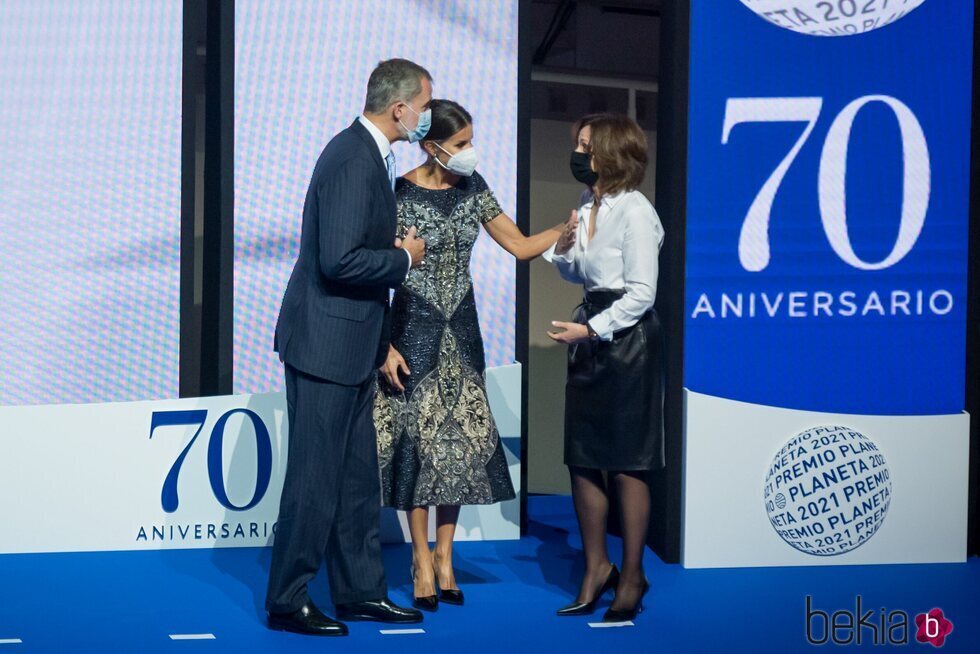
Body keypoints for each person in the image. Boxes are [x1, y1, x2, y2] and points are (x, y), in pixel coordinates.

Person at [374, 99, 574, 611]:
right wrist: (384, 344)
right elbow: (378, 271)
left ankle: (445, 556)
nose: (469, 152)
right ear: (430, 145)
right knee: (417, 451)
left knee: (458, 447)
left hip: (461, 332)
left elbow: (521, 246)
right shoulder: (397, 193)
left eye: (469, 142)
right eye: (460, 144)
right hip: (411, 328)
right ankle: (420, 557)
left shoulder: (474, 187)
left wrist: (563, 231)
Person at [265, 58, 432, 637]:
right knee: (314, 479)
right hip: (324, 344)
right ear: (399, 108)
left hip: (354, 344)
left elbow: (351, 248)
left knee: (358, 478)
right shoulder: (349, 158)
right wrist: (404, 257)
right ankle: (287, 598)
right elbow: (339, 260)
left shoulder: (368, 158)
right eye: (424, 106)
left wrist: (383, 341)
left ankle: (360, 592)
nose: (426, 118)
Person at [544, 114, 665, 623]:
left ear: (612, 153)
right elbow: (583, 273)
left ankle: (632, 575)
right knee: (583, 455)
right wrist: (565, 248)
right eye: (578, 143)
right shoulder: (588, 203)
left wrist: (592, 330)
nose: (578, 152)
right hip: (590, 328)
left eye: (587, 145)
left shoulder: (636, 211)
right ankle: (596, 567)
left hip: (627, 340)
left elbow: (641, 292)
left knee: (626, 460)